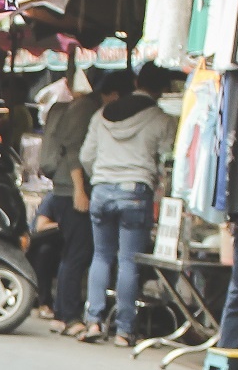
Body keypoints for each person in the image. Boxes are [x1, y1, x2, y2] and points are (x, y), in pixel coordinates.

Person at [75, 64, 176, 347]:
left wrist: (101, 178)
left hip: (102, 190)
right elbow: (168, 160)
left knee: (101, 256)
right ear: (163, 89)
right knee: (129, 261)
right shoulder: (161, 119)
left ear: (135, 81)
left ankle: (94, 321)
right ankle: (123, 330)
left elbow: (86, 156)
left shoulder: (100, 115)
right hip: (136, 191)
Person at [34, 70, 99, 331]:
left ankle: (61, 314)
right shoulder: (86, 109)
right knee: (77, 254)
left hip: (63, 188)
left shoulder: (70, 108)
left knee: (71, 254)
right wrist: (80, 190)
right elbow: (74, 150)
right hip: (72, 190)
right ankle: (69, 316)